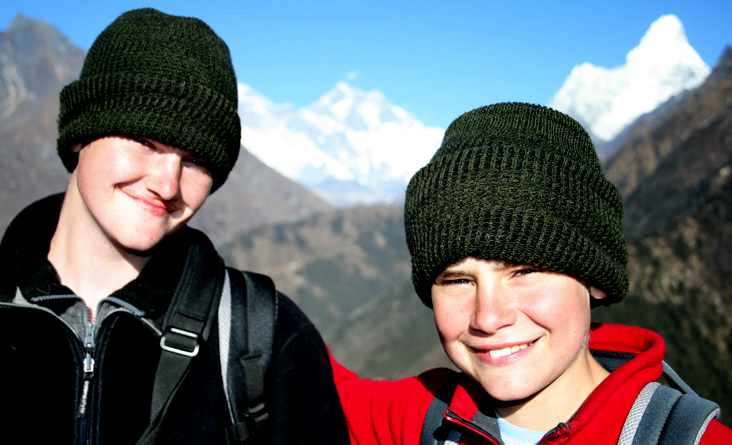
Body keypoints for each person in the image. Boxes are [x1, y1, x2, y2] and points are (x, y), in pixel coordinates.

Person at [0, 8, 348, 445]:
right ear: (79, 134)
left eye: (197, 160)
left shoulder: (267, 338)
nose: (167, 185)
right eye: (145, 141)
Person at [331, 103, 732, 444]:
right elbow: (309, 380)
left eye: (525, 271)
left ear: (593, 278)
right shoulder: (422, 416)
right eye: (458, 280)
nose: (488, 317)